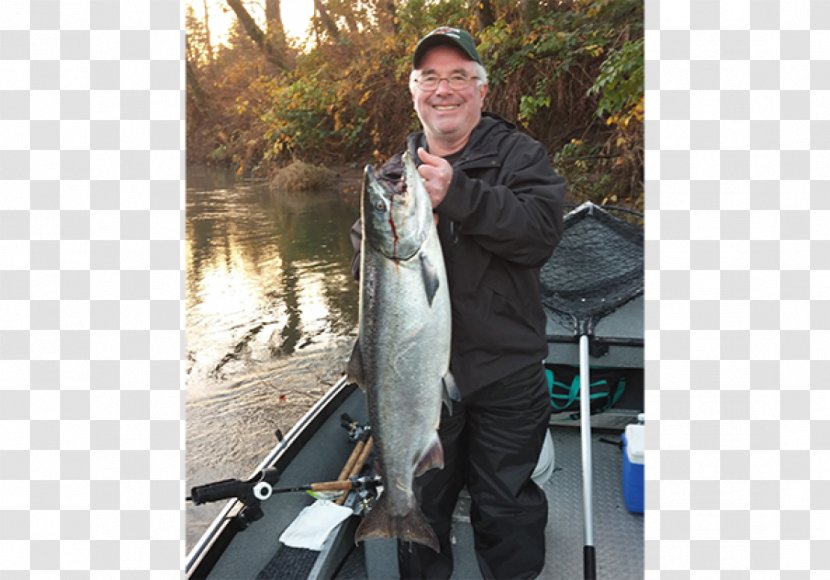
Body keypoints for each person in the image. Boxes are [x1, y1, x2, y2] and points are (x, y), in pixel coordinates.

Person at [351, 26, 565, 580]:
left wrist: (461, 196)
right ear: (414, 91)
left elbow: (540, 234)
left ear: (481, 91)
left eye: (458, 77)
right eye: (430, 79)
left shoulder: (520, 156)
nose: (443, 90)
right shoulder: (393, 179)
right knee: (425, 501)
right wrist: (389, 238)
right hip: (417, 383)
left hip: (506, 369)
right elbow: (367, 264)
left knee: (508, 508)